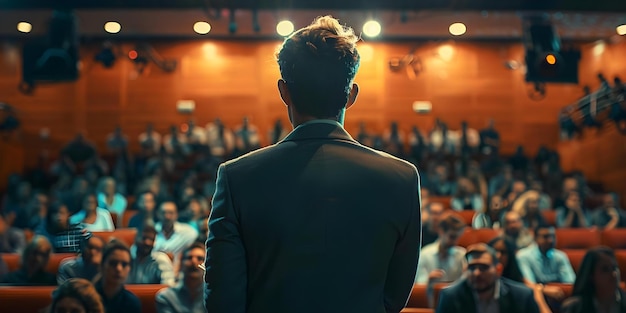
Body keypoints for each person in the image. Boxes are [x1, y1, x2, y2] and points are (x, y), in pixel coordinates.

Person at [204, 16, 421, 313]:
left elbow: (223, 303)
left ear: (284, 92)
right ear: (351, 96)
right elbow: (393, 300)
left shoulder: (236, 177)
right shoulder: (402, 178)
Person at [436, 243, 540, 313]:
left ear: (498, 270)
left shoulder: (522, 296)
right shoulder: (451, 296)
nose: (476, 273)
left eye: (483, 267)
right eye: (472, 268)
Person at [561, 246, 626, 313]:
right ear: (591, 276)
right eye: (605, 269)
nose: (614, 274)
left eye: (615, 268)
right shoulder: (574, 308)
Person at [156, 242, 206, 313]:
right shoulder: (166, 297)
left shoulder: (214, 296)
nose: (194, 261)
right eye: (189, 258)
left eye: (200, 258)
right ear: (181, 264)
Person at [95, 240, 141, 313]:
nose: (119, 269)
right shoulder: (87, 298)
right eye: (113, 263)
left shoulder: (132, 303)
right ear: (101, 266)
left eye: (124, 264)